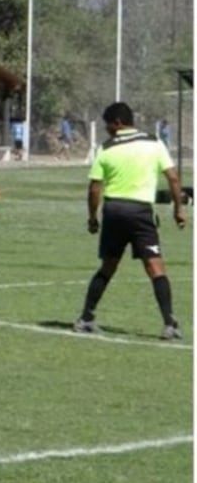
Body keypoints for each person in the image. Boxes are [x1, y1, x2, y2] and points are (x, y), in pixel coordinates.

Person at [73, 101, 186, 340]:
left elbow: (95, 189)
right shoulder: (154, 143)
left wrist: (93, 218)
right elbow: (174, 178)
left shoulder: (106, 148)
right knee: (155, 267)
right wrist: (179, 210)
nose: (108, 130)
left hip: (114, 212)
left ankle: (85, 318)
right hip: (141, 213)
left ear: (118, 123)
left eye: (108, 126)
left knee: (108, 266)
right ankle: (170, 324)